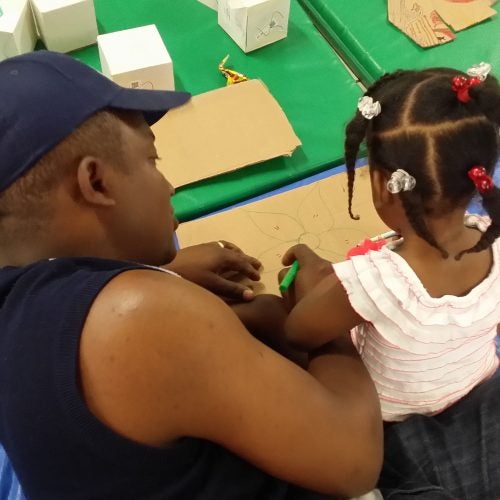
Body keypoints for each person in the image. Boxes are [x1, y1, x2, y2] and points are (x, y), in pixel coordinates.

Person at [0, 50, 383, 500]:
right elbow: (355, 464)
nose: (169, 186)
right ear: (96, 183)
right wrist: (324, 314)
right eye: (152, 162)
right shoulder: (136, 317)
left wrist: (163, 271)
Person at [280, 66, 500, 497]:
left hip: (394, 424)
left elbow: (298, 330)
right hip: (481, 395)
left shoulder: (376, 280)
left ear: (383, 185)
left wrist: (311, 273)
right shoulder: (494, 243)